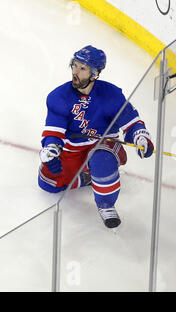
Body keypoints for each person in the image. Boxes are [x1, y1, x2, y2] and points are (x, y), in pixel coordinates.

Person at [38, 45, 154, 228]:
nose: (75, 72)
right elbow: (54, 131)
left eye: (82, 68)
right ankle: (88, 176)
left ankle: (106, 204)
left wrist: (140, 136)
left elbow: (130, 121)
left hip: (104, 145)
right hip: (74, 149)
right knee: (49, 184)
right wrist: (50, 149)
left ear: (95, 74)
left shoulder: (111, 94)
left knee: (101, 161)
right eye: (74, 65)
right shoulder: (58, 96)